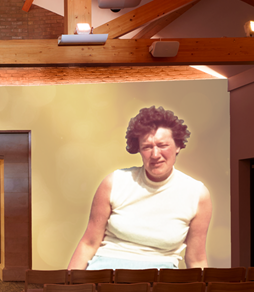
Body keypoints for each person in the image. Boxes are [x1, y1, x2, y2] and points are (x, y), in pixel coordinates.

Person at [68, 106, 211, 270]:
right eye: (147, 147)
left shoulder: (197, 194)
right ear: (139, 150)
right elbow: (89, 243)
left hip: (160, 283)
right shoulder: (115, 182)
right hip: (105, 275)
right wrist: (68, 289)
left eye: (162, 145)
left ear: (178, 146)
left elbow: (196, 260)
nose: (155, 154)